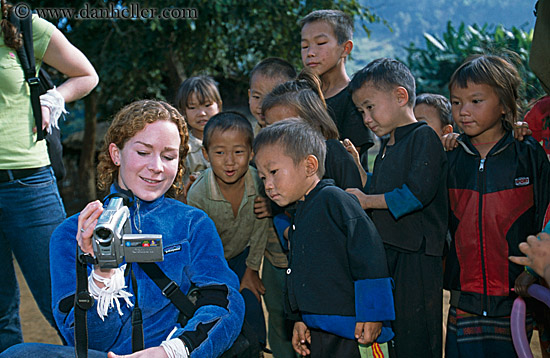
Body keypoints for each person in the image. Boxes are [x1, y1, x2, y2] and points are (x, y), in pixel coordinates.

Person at [0, 100, 245, 358]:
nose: (157, 167)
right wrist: (101, 273)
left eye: (169, 156)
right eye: (143, 152)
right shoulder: (71, 234)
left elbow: (225, 303)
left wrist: (172, 350)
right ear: (116, 154)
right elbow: (88, 340)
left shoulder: (192, 223)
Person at [0, 2, 98, 351]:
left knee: (65, 303)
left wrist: (53, 98)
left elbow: (87, 74)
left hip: (28, 185)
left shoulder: (24, 26)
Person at [253, 118, 395, 358]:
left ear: (309, 165)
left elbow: (369, 257)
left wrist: (374, 313)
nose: (268, 185)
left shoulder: (335, 201)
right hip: (318, 330)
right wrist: (299, 319)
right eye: (263, 177)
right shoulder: (299, 213)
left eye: (274, 172)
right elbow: (299, 273)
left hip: (355, 331)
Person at [443, 54, 550, 358]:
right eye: (456, 102)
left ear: (504, 104)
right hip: (464, 298)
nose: (463, 111)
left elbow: (545, 216)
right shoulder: (451, 157)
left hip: (517, 291)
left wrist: (532, 271)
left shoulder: (527, 154)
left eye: (476, 101)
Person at [347, 58, 448, 358]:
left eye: (370, 106)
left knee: (417, 338)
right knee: (394, 339)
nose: (366, 118)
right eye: (361, 111)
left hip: (416, 256)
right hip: (390, 253)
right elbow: (382, 191)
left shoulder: (424, 137)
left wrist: (365, 201)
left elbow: (412, 196)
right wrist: (363, 178)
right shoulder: (387, 147)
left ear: (401, 96)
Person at [186, 111, 269, 351]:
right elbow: (198, 245)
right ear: (205, 154)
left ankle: (257, 350)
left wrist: (252, 270)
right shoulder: (198, 194)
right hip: (209, 262)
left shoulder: (259, 184)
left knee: (251, 307)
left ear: (252, 152)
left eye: (239, 152)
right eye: (220, 153)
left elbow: (260, 228)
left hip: (243, 256)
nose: (230, 161)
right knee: (217, 315)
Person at [247, 57, 298, 358]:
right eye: (254, 95)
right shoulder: (247, 137)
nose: (260, 104)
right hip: (267, 255)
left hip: (297, 250)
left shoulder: (297, 136)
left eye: (270, 96)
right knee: (278, 323)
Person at [262, 69, 363, 190]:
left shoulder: (333, 154)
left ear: (314, 124)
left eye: (284, 128)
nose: (274, 136)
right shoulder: (274, 164)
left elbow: (355, 201)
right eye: (269, 128)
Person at [299, 9, 374, 163]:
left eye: (320, 43)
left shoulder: (355, 98)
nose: (310, 53)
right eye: (305, 46)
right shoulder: (300, 95)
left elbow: (349, 160)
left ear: (345, 49)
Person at [174, 75, 222, 187]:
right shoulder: (183, 149)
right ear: (183, 112)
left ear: (219, 106)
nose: (201, 113)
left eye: (207, 105)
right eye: (192, 107)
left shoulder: (233, 138)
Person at [248, 57, 296, 134]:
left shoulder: (291, 134)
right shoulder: (255, 132)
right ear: (249, 95)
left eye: (271, 99)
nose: (262, 105)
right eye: (256, 97)